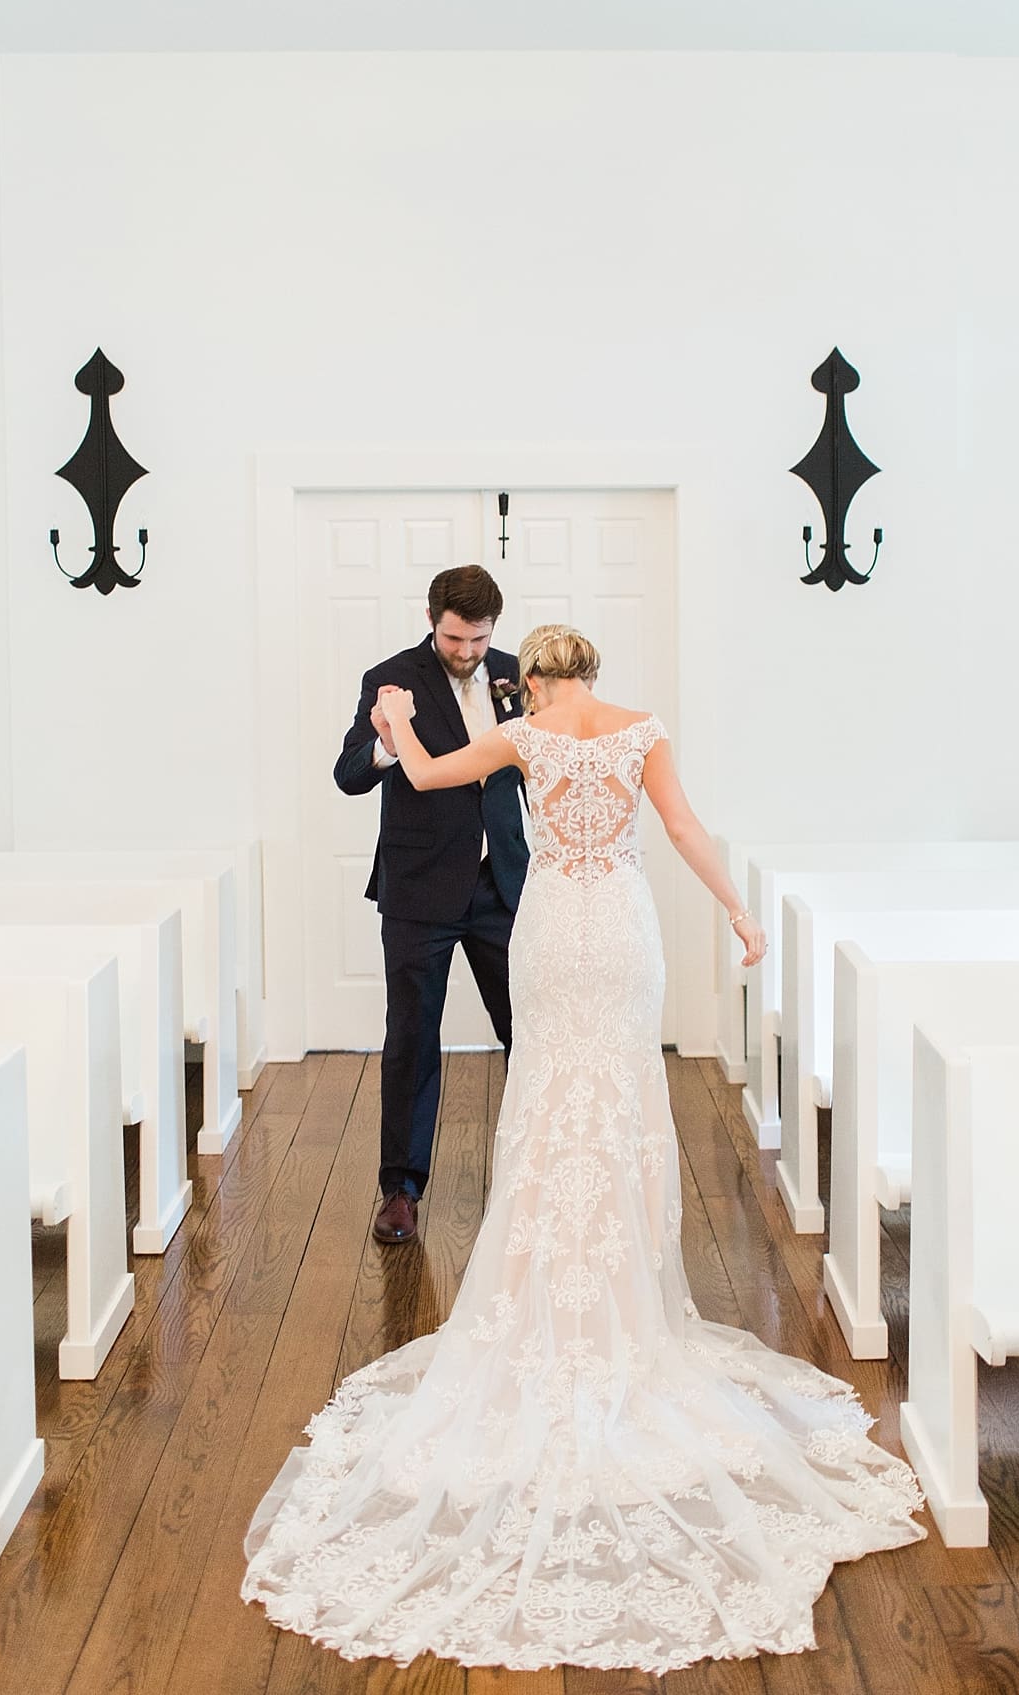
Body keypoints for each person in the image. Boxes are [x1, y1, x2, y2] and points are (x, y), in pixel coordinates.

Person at [244, 623, 923, 1672]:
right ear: (594, 673)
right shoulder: (641, 729)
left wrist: (389, 722)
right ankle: (626, 1306)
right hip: (625, 930)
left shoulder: (523, 738)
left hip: (555, 929)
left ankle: (547, 1290)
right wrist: (740, 910)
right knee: (622, 1104)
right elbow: (689, 828)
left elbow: (423, 774)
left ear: (537, 680)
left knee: (551, 1100)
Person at [332, 565, 529, 1244]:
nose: (468, 651)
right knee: (413, 1038)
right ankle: (401, 1189)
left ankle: (540, 1173)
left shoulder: (514, 670)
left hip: (503, 882)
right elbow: (349, 772)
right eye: (455, 637)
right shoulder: (392, 676)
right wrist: (388, 739)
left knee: (530, 1029)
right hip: (420, 886)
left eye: (478, 638)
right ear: (431, 618)